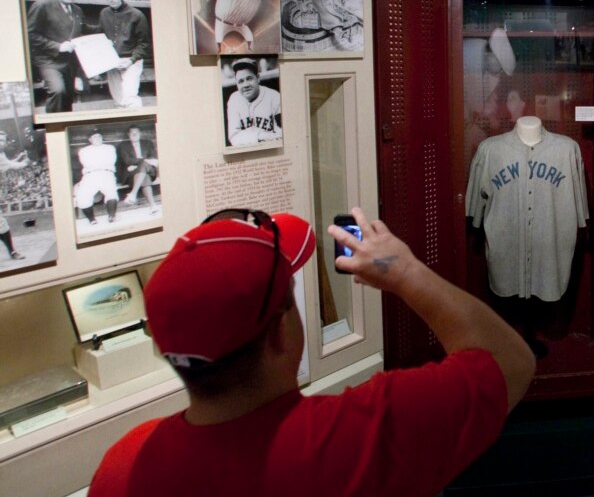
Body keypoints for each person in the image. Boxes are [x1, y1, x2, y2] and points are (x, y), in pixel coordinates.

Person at [88, 208, 536, 495]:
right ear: (282, 333)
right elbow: (510, 363)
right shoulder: (363, 437)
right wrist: (403, 273)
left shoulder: (122, 467)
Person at [26, 0, 89, 113]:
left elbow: (84, 29)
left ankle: (65, 125)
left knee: (68, 96)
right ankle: (53, 125)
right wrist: (57, 46)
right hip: (48, 60)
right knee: (58, 91)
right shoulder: (42, 6)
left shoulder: (77, 10)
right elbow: (30, 35)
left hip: (69, 62)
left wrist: (104, 34)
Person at [99, 0, 151, 108]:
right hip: (112, 61)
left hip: (131, 60)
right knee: (118, 99)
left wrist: (131, 60)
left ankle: (138, 124)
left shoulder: (136, 14)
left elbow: (144, 44)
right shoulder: (104, 13)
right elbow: (101, 33)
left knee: (130, 97)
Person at [226, 58, 282, 146]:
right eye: (241, 81)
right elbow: (234, 137)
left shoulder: (274, 96)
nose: (245, 85)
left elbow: (282, 135)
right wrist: (260, 136)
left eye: (249, 79)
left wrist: (247, 138)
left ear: (258, 78)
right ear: (236, 84)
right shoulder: (234, 100)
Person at [0, 131, 29, 260]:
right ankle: (12, 252)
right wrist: (25, 162)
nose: (0, 142)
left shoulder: (1, 154)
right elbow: (13, 166)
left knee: (1, 224)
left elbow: (6, 163)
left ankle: (12, 252)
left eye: (2, 140)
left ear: (5, 143)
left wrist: (19, 157)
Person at [118, 125, 159, 214]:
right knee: (145, 176)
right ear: (128, 134)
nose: (134, 134)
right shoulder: (123, 145)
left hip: (148, 170)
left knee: (144, 167)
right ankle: (152, 206)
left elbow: (153, 157)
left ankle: (133, 194)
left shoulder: (148, 143)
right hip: (131, 173)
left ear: (140, 134)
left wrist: (139, 164)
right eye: (132, 133)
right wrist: (144, 161)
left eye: (136, 132)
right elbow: (127, 160)